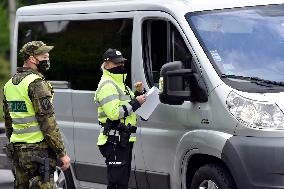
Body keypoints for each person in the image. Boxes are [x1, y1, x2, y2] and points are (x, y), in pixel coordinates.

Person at [3, 41, 71, 189]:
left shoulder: (9, 85)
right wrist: (61, 152)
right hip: (38, 153)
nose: (47, 57)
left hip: (18, 152)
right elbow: (47, 122)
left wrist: (15, 144)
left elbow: (9, 122)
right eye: (43, 54)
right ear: (32, 58)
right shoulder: (36, 83)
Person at [95, 48, 146, 189]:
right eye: (116, 63)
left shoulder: (119, 83)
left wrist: (138, 93)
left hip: (122, 139)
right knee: (117, 184)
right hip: (114, 141)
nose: (120, 66)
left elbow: (126, 105)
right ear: (106, 64)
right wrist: (136, 102)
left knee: (122, 182)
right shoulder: (107, 85)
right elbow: (114, 113)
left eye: (121, 63)